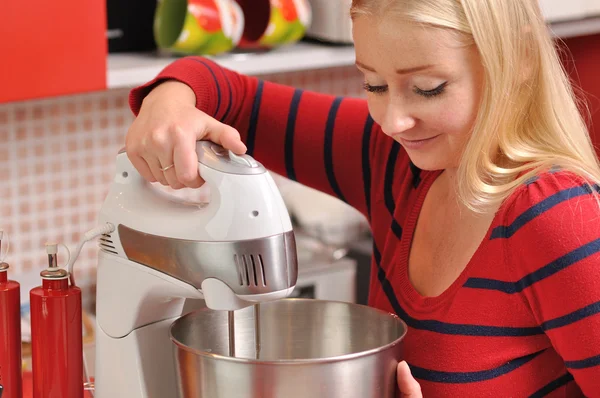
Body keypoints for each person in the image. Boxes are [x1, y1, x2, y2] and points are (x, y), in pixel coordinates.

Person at [124, 0, 600, 396]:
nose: (392, 120)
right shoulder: (392, 161)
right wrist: (167, 101)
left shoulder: (555, 217)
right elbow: (229, 93)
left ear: (518, 60)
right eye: (374, 83)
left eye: (427, 89)